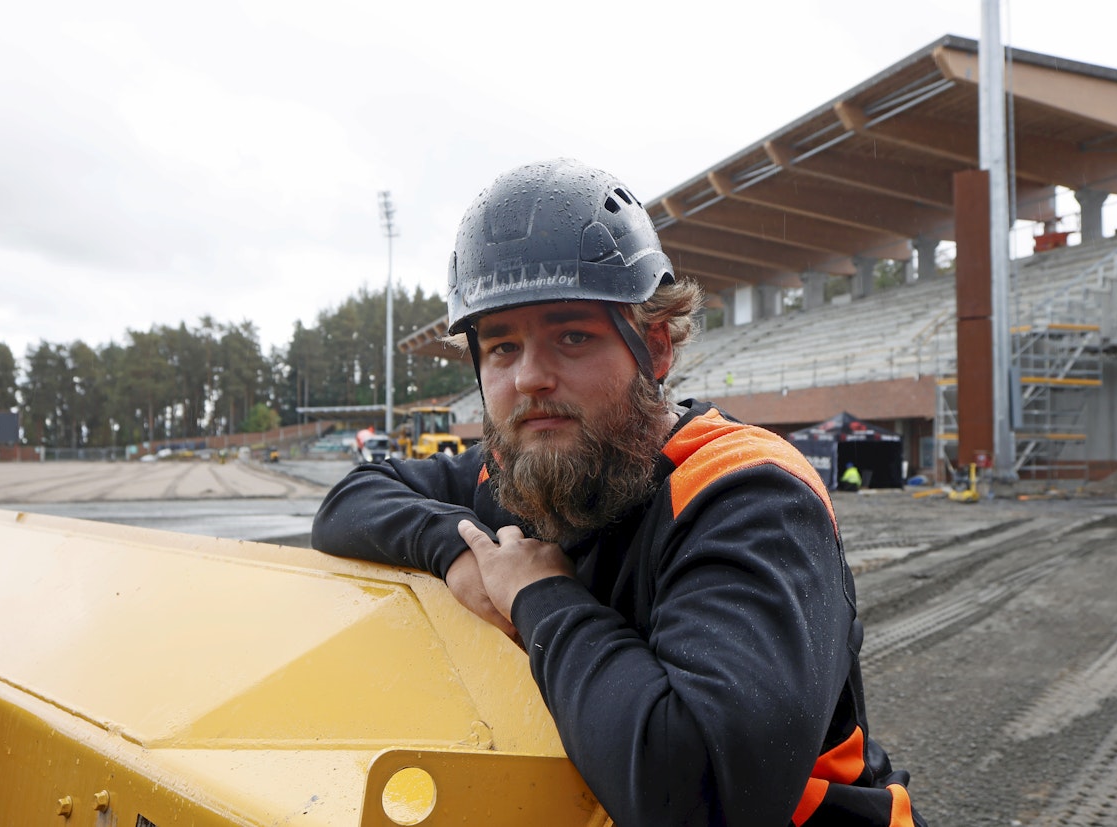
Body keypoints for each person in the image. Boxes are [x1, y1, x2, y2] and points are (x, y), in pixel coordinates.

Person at [312, 158, 924, 827]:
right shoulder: (519, 471)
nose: (530, 377)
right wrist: (456, 553)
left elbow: (701, 796)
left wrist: (537, 593)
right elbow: (352, 498)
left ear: (654, 348)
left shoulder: (752, 493)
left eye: (571, 336)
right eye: (502, 347)